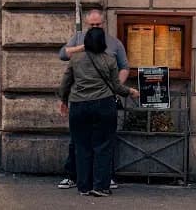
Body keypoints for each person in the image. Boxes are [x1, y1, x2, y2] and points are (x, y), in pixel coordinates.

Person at [58, 27, 139, 197]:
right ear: (103, 42)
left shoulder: (76, 60)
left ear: (85, 42)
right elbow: (116, 86)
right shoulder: (109, 60)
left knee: (81, 146)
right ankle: (100, 186)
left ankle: (83, 186)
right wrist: (130, 91)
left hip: (79, 106)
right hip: (104, 106)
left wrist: (64, 100)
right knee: (103, 146)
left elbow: (65, 84)